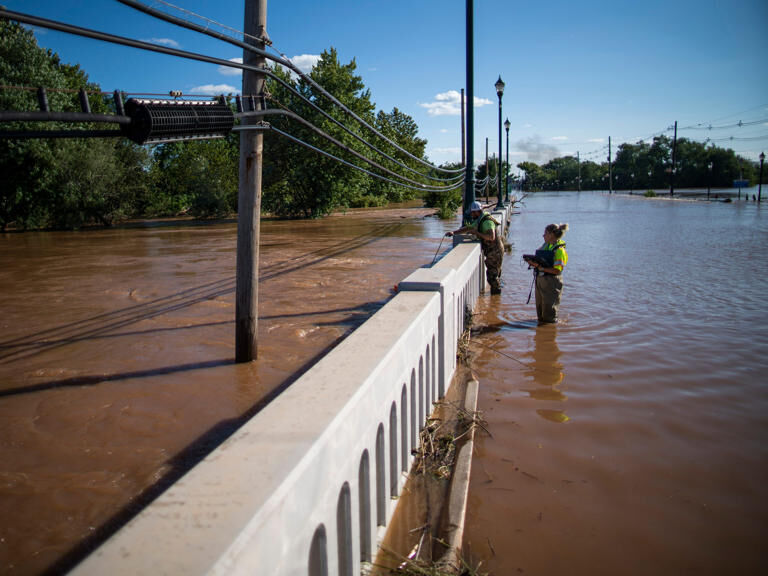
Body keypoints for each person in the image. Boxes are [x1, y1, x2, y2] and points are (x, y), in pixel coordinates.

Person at [447, 201, 504, 294]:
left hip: (495, 251)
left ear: (477, 212)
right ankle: (495, 299)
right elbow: (468, 228)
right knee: (493, 275)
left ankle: (496, 299)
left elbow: (491, 237)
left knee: (492, 276)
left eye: (473, 213)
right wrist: (454, 232)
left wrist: (477, 233)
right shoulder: (480, 220)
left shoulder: (487, 222)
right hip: (492, 251)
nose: (471, 215)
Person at [528, 223, 569, 324]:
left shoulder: (560, 250)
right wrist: (532, 262)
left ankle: (549, 333)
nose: (543, 235)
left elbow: (557, 270)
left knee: (549, 314)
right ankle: (541, 333)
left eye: (545, 233)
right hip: (541, 280)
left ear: (551, 234)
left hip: (552, 282)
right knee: (540, 311)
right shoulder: (546, 245)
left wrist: (540, 268)